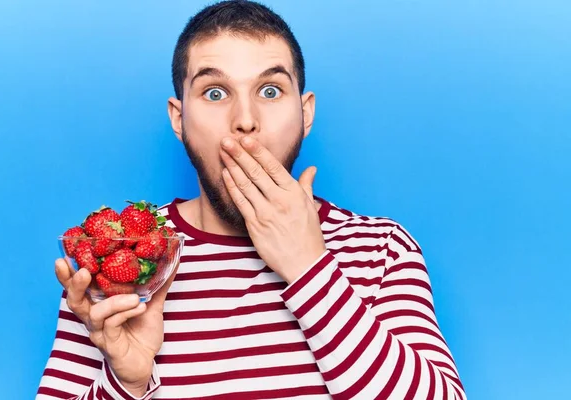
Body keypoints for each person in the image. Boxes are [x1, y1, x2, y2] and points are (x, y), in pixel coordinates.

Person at [37, 1, 466, 399]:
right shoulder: (124, 260)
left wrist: (309, 268)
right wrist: (125, 383)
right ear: (179, 118)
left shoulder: (381, 249)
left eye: (270, 91)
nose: (245, 121)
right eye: (215, 93)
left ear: (306, 113)